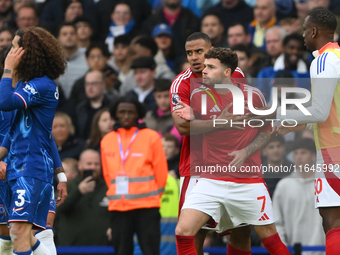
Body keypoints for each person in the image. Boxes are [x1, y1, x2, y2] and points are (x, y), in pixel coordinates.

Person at [174, 47, 290, 255]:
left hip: (247, 181)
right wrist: (215, 121)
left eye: (211, 67)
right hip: (210, 179)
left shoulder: (253, 97)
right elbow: (185, 127)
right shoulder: (198, 96)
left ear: (227, 72)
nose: (205, 71)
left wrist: (246, 151)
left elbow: (265, 132)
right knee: (183, 232)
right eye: (205, 67)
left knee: (269, 239)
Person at [252, 8, 340, 254]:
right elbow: (328, 108)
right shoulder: (338, 57)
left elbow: (321, 112)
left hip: (333, 150)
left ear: (313, 31)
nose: (302, 35)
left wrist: (277, 114)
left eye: (304, 30)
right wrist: (300, 122)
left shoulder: (323, 59)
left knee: (333, 221)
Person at [169, 32, 246, 255]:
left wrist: (200, 116)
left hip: (232, 164)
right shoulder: (181, 84)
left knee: (241, 230)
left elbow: (241, 115)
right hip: (196, 167)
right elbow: (182, 127)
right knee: (192, 233)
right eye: (189, 53)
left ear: (211, 50)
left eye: (199, 52)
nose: (194, 57)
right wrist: (221, 120)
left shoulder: (235, 74)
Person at [0, 27, 67, 255]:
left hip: (32, 168)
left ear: (28, 53)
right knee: (23, 233)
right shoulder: (28, 85)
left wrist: (8, 68)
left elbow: (5, 103)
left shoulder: (42, 86)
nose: (12, 51)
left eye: (15, 46)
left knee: (20, 232)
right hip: (19, 168)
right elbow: (13, 133)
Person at [101, 96, 168, 255]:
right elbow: (107, 174)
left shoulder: (151, 136)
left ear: (138, 114)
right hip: (119, 208)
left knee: (151, 251)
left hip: (147, 207)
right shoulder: (107, 140)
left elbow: (161, 171)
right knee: (121, 251)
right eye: (122, 112)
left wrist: (154, 197)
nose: (126, 116)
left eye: (131, 112)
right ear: (115, 114)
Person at [273, 138, 325, 255]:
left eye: (303, 152)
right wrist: (284, 249)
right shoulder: (284, 186)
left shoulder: (325, 185)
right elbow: (277, 223)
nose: (299, 157)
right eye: (296, 153)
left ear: (313, 155)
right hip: (293, 252)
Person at [57, 149, 111, 246]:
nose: (93, 167)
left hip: (102, 249)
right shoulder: (68, 186)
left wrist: (113, 227)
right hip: (70, 249)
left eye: (96, 164)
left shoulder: (108, 188)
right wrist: (79, 192)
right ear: (80, 165)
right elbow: (58, 208)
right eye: (89, 164)